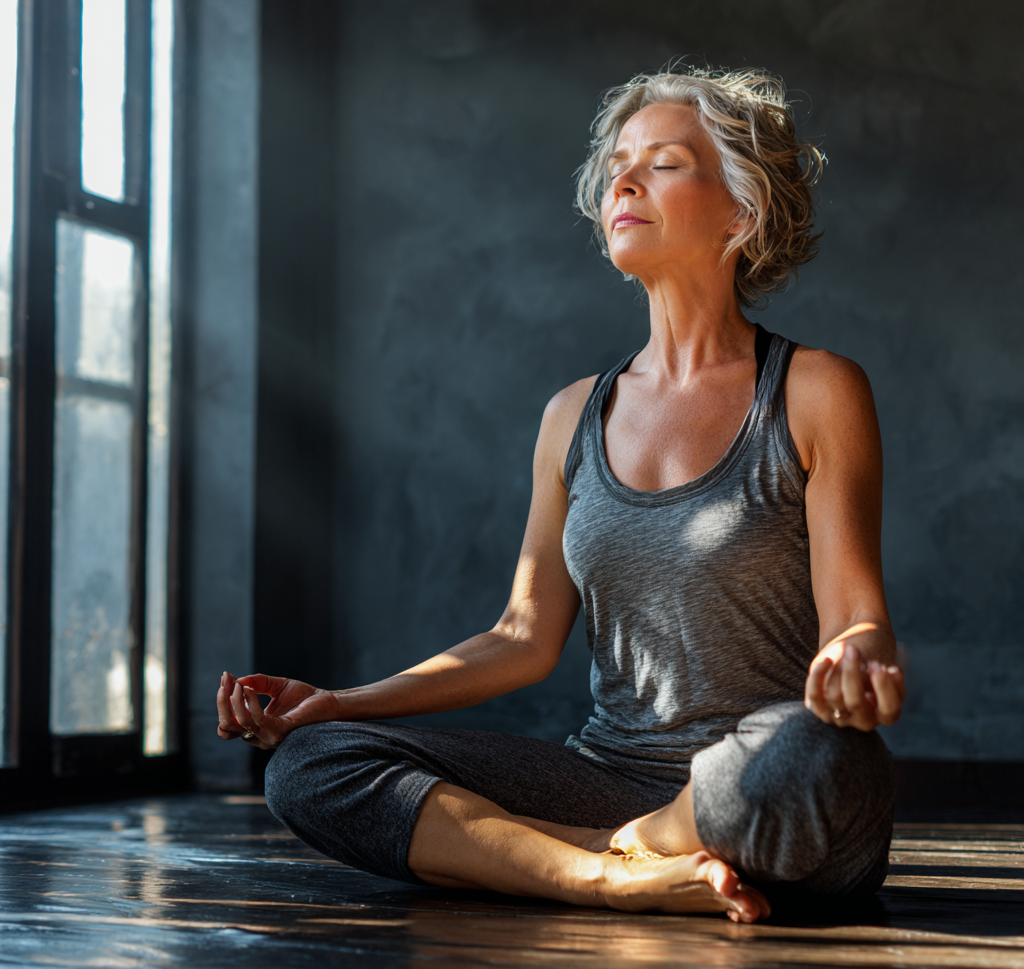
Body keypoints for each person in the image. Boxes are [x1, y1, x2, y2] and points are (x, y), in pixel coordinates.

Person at [216, 67, 905, 923]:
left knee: (817, 755)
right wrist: (336, 704)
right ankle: (599, 874)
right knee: (311, 764)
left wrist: (862, 655)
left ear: (742, 209)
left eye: (663, 162)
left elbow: (856, 615)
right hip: (600, 778)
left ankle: (609, 846)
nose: (622, 181)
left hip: (759, 774)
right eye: (619, 163)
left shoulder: (814, 390)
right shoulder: (571, 415)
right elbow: (521, 637)